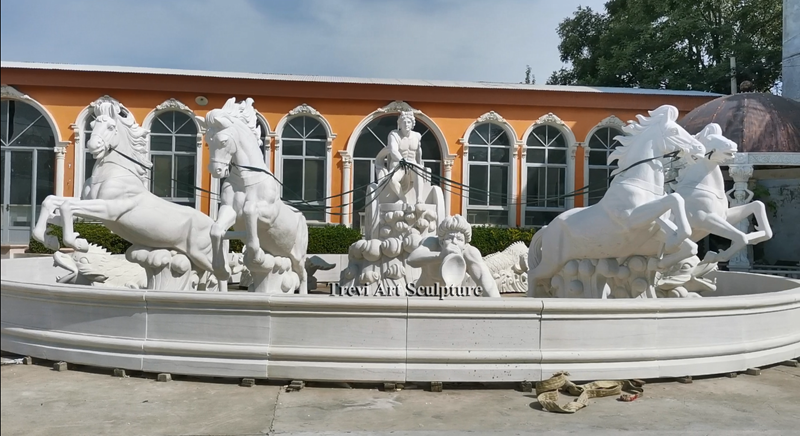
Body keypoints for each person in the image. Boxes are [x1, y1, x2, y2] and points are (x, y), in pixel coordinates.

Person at [407, 215, 500, 297]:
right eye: (449, 238)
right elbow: (412, 259)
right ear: (441, 242)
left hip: (452, 298)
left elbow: (484, 279)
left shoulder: (468, 252)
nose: (454, 242)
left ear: (464, 244)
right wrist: (440, 256)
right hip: (423, 295)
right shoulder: (432, 243)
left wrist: (499, 309)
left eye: (459, 239)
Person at [376, 111, 425, 204]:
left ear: (412, 124)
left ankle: (419, 199)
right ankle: (403, 199)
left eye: (409, 122)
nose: (407, 124)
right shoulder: (394, 135)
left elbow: (418, 152)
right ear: (400, 124)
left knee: (419, 171)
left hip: (412, 164)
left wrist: (420, 164)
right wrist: (402, 160)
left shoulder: (417, 136)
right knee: (393, 179)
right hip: (399, 165)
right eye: (404, 122)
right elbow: (393, 150)